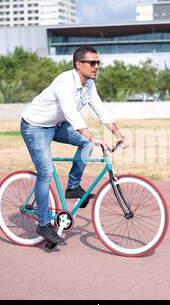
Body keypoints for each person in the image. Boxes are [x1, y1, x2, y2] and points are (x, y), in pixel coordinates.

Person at [20, 45, 126, 245]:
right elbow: (71, 113)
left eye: (98, 63)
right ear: (79, 64)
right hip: (34, 127)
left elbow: (101, 110)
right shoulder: (64, 82)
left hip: (56, 125)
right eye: (92, 63)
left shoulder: (89, 86)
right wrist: (92, 136)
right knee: (46, 173)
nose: (96, 67)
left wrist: (118, 134)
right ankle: (43, 224)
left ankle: (73, 186)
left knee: (86, 143)